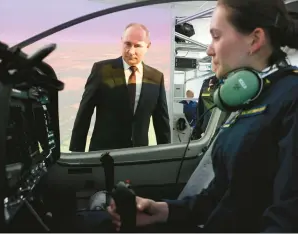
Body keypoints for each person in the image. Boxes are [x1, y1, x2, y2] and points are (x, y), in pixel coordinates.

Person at [75, 0, 298, 232]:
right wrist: (163, 210)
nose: (209, 49)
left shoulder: (290, 99)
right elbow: (219, 198)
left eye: (216, 36)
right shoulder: (251, 100)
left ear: (255, 40)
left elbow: (287, 220)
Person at [69, 23, 171, 152]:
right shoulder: (102, 70)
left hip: (139, 155)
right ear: (121, 42)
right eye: (127, 44)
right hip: (103, 155)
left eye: (138, 45)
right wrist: (77, 153)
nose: (131, 51)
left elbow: (161, 122)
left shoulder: (156, 77)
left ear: (148, 46)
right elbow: (84, 113)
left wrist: (166, 155)